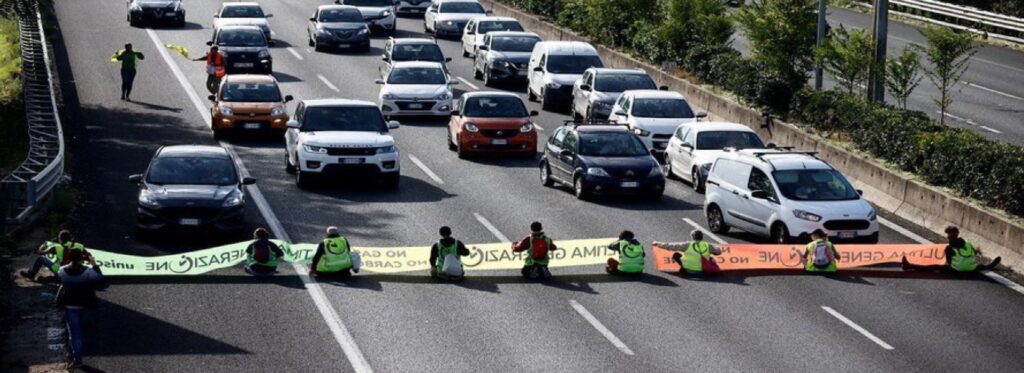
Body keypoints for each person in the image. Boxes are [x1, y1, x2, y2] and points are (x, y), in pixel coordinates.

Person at [56, 249, 107, 370]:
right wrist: (94, 264)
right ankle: (84, 347)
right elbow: (101, 281)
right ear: (81, 258)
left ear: (69, 257)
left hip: (70, 306)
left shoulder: (62, 270)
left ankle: (77, 359)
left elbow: (58, 279)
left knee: (75, 334)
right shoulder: (88, 272)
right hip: (87, 305)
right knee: (85, 331)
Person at [902, 226, 1001, 272]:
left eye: (948, 235)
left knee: (934, 266)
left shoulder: (949, 248)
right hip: (971, 268)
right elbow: (974, 254)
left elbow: (949, 262)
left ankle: (910, 266)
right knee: (980, 266)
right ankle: (990, 265)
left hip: (956, 269)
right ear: (958, 234)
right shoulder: (968, 243)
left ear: (949, 236)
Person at [21, 230, 87, 281]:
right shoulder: (80, 246)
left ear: (60, 239)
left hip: (61, 271)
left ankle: (32, 274)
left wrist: (42, 247)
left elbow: (41, 253)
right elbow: (88, 256)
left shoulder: (57, 247)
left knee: (41, 259)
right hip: (76, 271)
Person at [654, 230, 722, 276]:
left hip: (688, 270)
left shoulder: (688, 244)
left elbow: (670, 246)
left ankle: (683, 269)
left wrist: (657, 244)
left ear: (692, 237)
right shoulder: (707, 245)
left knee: (676, 255)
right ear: (702, 237)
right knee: (710, 258)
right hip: (703, 270)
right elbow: (719, 251)